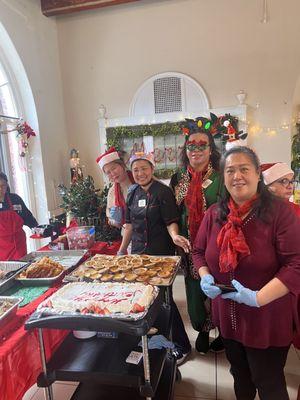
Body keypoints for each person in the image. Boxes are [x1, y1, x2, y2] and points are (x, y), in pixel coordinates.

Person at [193, 146, 300, 400]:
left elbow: (296, 263)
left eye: (244, 169)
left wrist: (257, 297)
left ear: (256, 174)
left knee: (268, 382)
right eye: (230, 170)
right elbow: (197, 251)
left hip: (267, 317)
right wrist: (205, 274)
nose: (237, 176)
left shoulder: (280, 213)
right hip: (228, 317)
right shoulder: (214, 214)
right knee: (240, 378)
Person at [118, 151, 192, 365]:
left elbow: (171, 221)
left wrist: (175, 236)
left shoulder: (163, 191)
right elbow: (129, 225)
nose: (140, 173)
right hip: (139, 256)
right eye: (136, 170)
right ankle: (153, 339)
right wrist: (123, 249)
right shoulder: (132, 192)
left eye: (144, 168)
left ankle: (182, 345)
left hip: (160, 255)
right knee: (143, 299)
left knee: (164, 300)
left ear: (152, 169)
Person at [170, 117, 223, 354]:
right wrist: (175, 236)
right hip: (189, 247)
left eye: (203, 145)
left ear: (211, 150)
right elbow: (172, 212)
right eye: (191, 145)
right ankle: (202, 330)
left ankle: (222, 331)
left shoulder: (222, 177)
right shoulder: (179, 178)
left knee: (220, 288)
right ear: (186, 150)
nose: (196, 150)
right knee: (194, 290)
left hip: (219, 246)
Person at [0, 172, 38, 261]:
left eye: (3, 186)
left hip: (19, 244)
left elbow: (28, 217)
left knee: (20, 269)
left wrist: (37, 229)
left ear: (7, 185)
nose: (0, 189)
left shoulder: (15, 199)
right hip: (1, 247)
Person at [96, 147, 134, 228]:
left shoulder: (139, 180)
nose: (113, 173)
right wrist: (115, 220)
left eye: (114, 168)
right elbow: (111, 220)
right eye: (108, 172)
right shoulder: (112, 192)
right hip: (127, 234)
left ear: (122, 165)